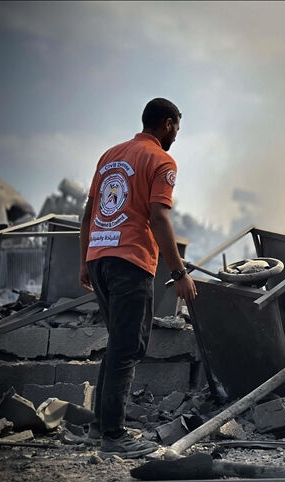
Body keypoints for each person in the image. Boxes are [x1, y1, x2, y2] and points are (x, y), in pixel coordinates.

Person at [78, 98, 197, 458]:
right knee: (128, 347)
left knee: (118, 344)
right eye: (177, 125)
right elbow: (159, 217)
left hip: (100, 256)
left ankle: (99, 427)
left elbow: (88, 213)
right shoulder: (162, 160)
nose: (177, 132)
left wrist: (85, 262)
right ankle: (113, 436)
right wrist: (179, 273)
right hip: (130, 260)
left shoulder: (110, 155)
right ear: (167, 124)